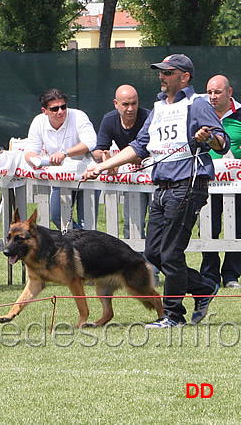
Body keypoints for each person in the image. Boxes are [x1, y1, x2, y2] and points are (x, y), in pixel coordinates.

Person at [83, 54, 228, 328]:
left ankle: (173, 316)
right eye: (161, 72)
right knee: (153, 253)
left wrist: (208, 137)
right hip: (161, 188)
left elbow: (222, 143)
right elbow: (139, 146)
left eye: (168, 72)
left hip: (187, 184)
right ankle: (203, 287)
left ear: (184, 77)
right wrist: (102, 167)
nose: (161, 76)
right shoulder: (159, 108)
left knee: (171, 253)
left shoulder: (197, 105)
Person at [92, 85, 158, 283]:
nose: (131, 109)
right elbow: (98, 150)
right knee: (132, 224)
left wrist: (120, 159)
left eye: (134, 103)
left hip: (155, 178)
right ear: (116, 104)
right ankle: (136, 270)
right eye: (126, 104)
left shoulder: (149, 117)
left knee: (157, 226)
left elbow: (148, 150)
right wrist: (103, 156)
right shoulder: (109, 120)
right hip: (132, 181)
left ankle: (154, 269)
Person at [24, 88, 97, 229]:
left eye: (63, 107)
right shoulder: (39, 121)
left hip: (86, 174)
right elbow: (30, 150)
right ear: (44, 111)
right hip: (60, 177)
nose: (61, 111)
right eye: (54, 109)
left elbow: (90, 142)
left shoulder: (78, 116)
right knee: (57, 217)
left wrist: (65, 153)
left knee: (87, 222)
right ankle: (81, 242)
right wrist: (35, 160)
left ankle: (84, 242)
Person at [199, 75, 241, 289]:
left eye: (217, 92)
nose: (213, 97)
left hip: (237, 183)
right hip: (207, 181)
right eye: (210, 92)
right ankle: (209, 273)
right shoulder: (202, 113)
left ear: (229, 92)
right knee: (208, 227)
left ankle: (231, 274)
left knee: (238, 228)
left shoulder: (240, 114)